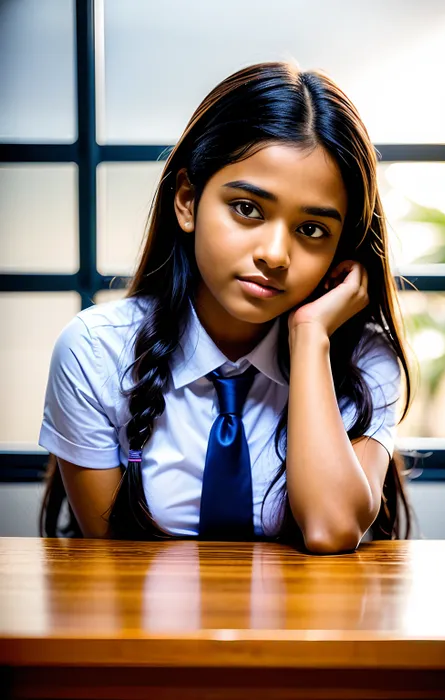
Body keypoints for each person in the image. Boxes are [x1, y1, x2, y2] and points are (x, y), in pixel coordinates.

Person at [39, 60, 416, 553]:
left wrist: (309, 339)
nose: (275, 255)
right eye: (247, 209)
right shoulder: (94, 352)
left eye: (312, 230)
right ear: (188, 202)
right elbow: (115, 560)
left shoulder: (362, 360)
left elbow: (331, 528)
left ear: (340, 248)